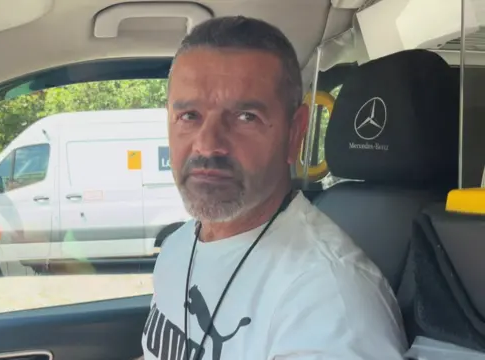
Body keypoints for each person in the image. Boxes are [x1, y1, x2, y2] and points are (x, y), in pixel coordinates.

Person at [139, 16, 407, 360]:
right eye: (189, 115)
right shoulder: (178, 248)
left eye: (245, 117)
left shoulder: (328, 302)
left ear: (295, 133)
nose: (206, 145)